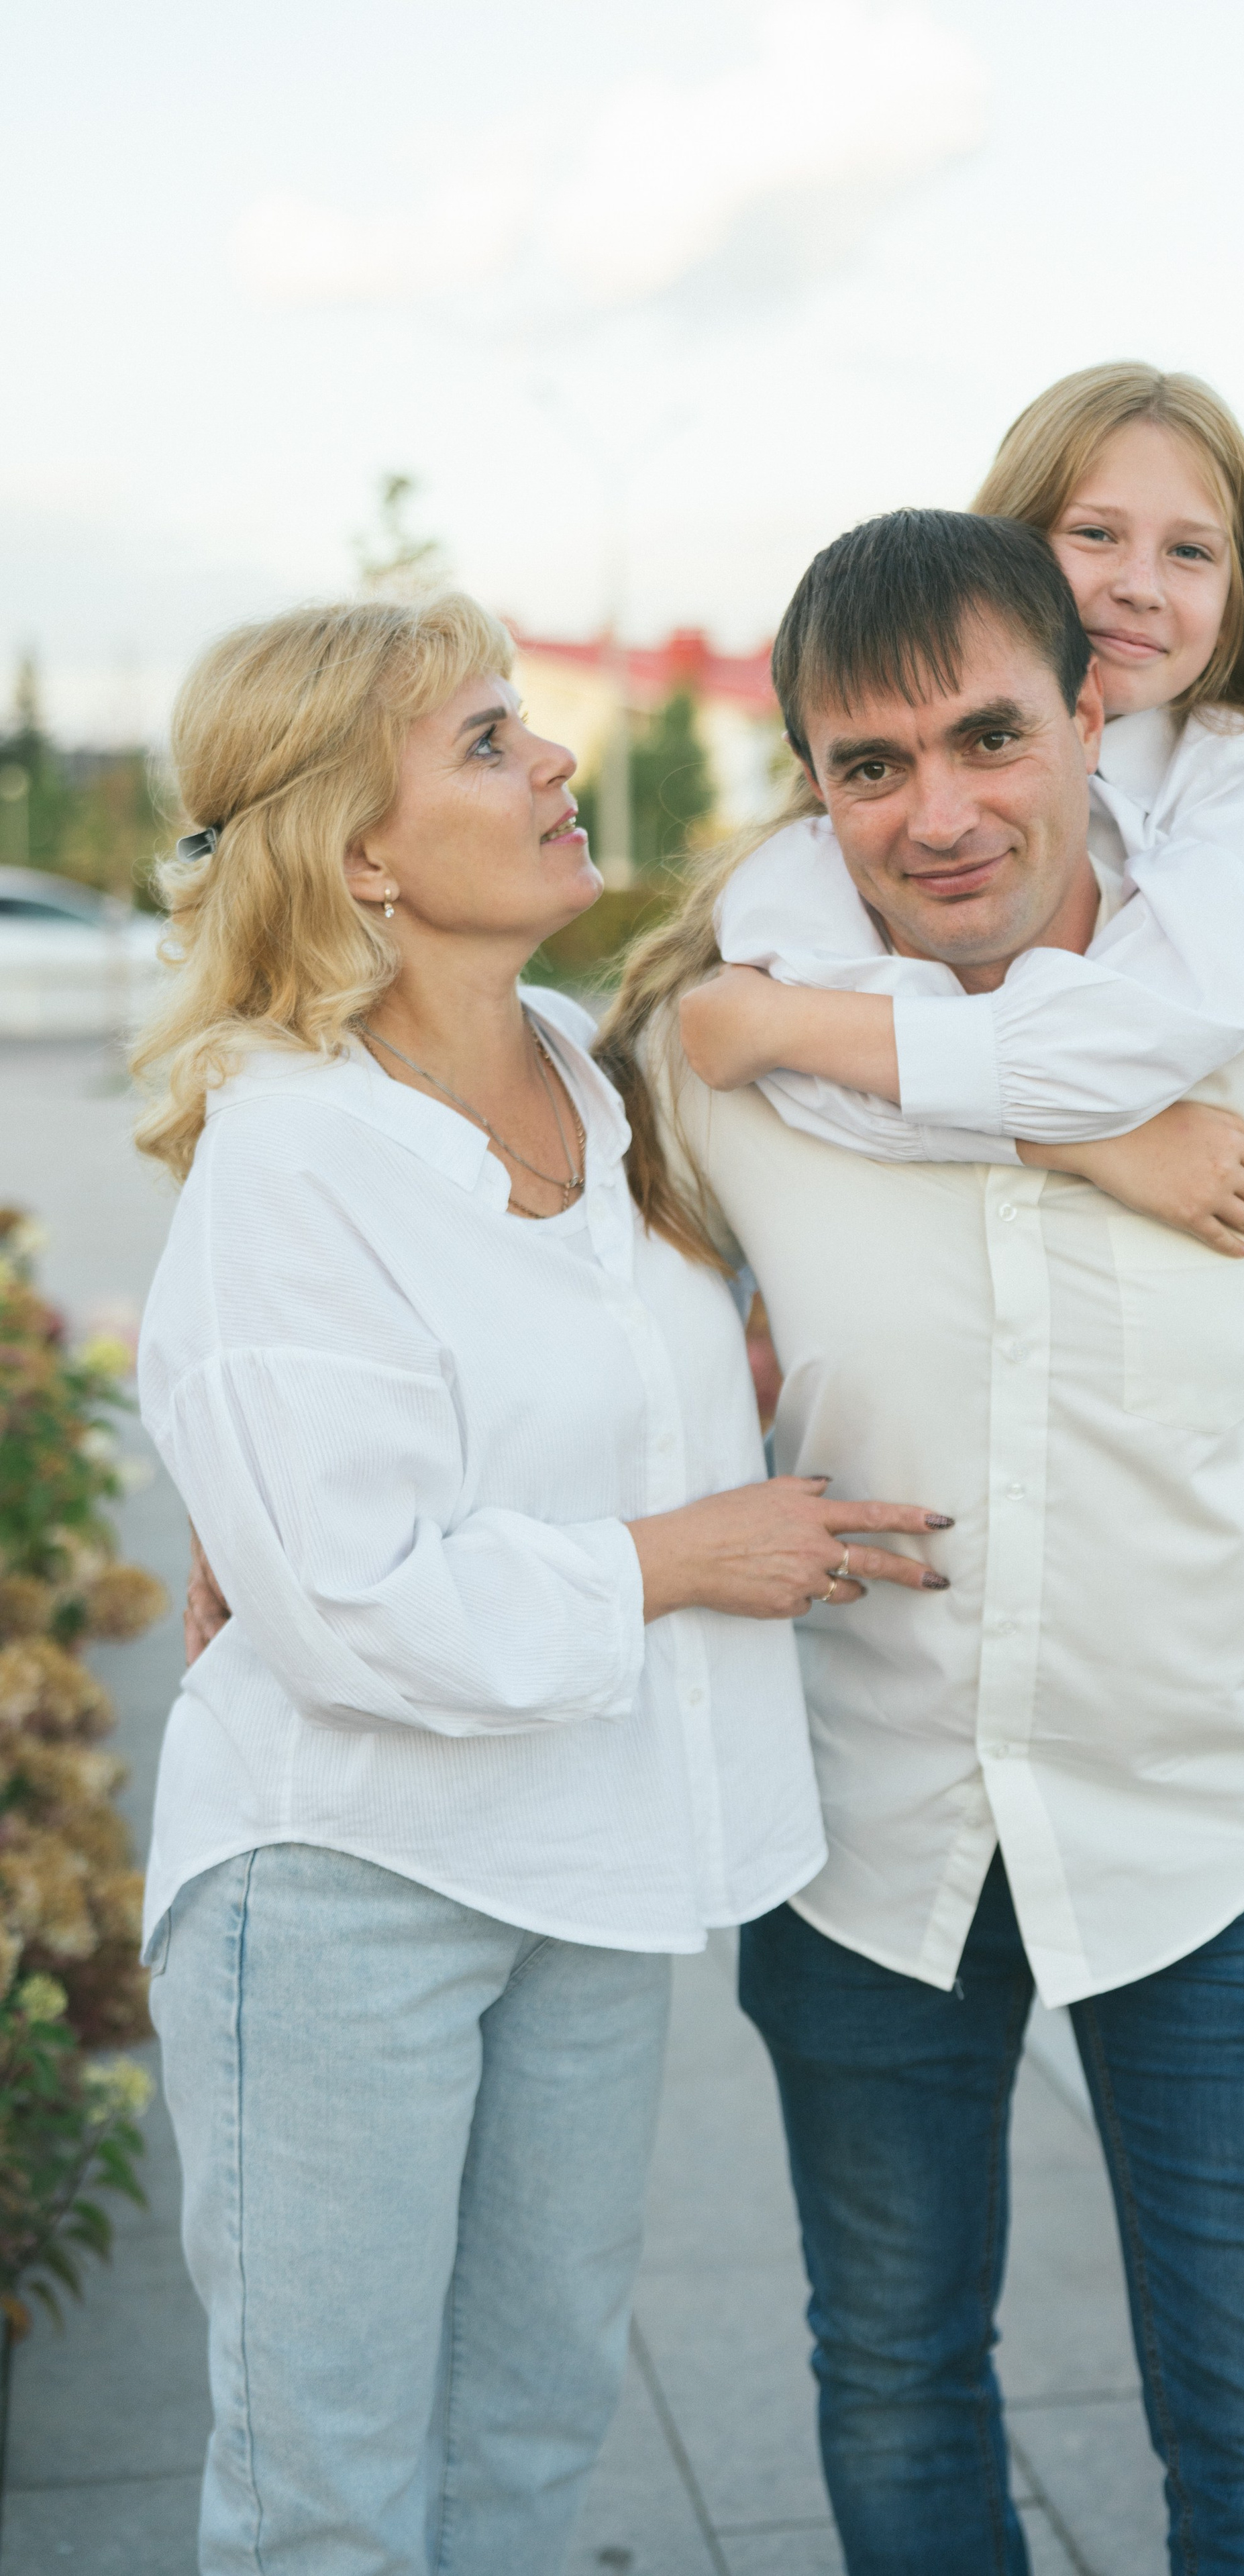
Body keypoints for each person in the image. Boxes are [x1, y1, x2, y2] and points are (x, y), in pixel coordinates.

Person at [598, 507, 1244, 2574]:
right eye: (871, 764)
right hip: (872, 1834)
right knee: (899, 2380)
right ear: (813, 782)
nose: (941, 811)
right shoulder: (730, 1059)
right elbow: (521, 1277)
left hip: (1212, 1834)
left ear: (1101, 700)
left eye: (991, 735)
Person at [132, 593, 950, 2576]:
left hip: (588, 1865)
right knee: (322, 2477)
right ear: (364, 851)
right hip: (343, 1887)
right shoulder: (293, 1152)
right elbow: (352, 1603)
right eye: (491, 739)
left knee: (529, 2429)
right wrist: (685, 1556)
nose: (558, 758)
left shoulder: (600, 1078)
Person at [678, 363, 1244, 1792]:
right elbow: (809, 1084)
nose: (1139, 585)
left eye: (1189, 551)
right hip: (942, 1599)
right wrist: (1090, 1146)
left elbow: (1150, 1029)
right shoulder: (866, 811)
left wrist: (798, 1031)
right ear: (1012, 547)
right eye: (1094, 538)